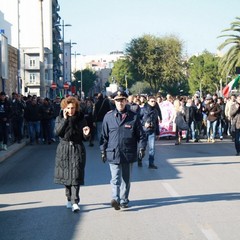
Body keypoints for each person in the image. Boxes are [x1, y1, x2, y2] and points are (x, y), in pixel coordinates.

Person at [100, 90, 147, 210]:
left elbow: (141, 135)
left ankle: (124, 200)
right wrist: (102, 150)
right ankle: (115, 199)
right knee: (115, 178)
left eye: (122, 100)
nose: (120, 103)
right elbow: (104, 136)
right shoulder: (108, 117)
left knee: (126, 179)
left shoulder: (133, 117)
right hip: (113, 152)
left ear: (126, 101)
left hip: (128, 152)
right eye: (117, 101)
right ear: (114, 102)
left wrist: (142, 148)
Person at [54, 96, 90, 213]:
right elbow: (57, 132)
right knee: (66, 176)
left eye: (73, 108)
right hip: (64, 149)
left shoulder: (81, 119)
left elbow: (85, 138)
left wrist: (86, 134)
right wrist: (64, 119)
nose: (71, 110)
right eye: (68, 108)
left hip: (77, 148)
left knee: (75, 175)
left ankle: (75, 202)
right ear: (64, 108)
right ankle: (69, 198)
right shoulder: (59, 118)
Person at [139, 95, 160, 169]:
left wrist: (158, 133)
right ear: (148, 101)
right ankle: (139, 159)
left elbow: (157, 122)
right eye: (152, 101)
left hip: (152, 131)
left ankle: (151, 163)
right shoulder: (143, 109)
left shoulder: (155, 110)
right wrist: (144, 123)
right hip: (144, 131)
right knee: (142, 148)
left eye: (154, 101)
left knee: (152, 148)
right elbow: (137, 119)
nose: (153, 103)